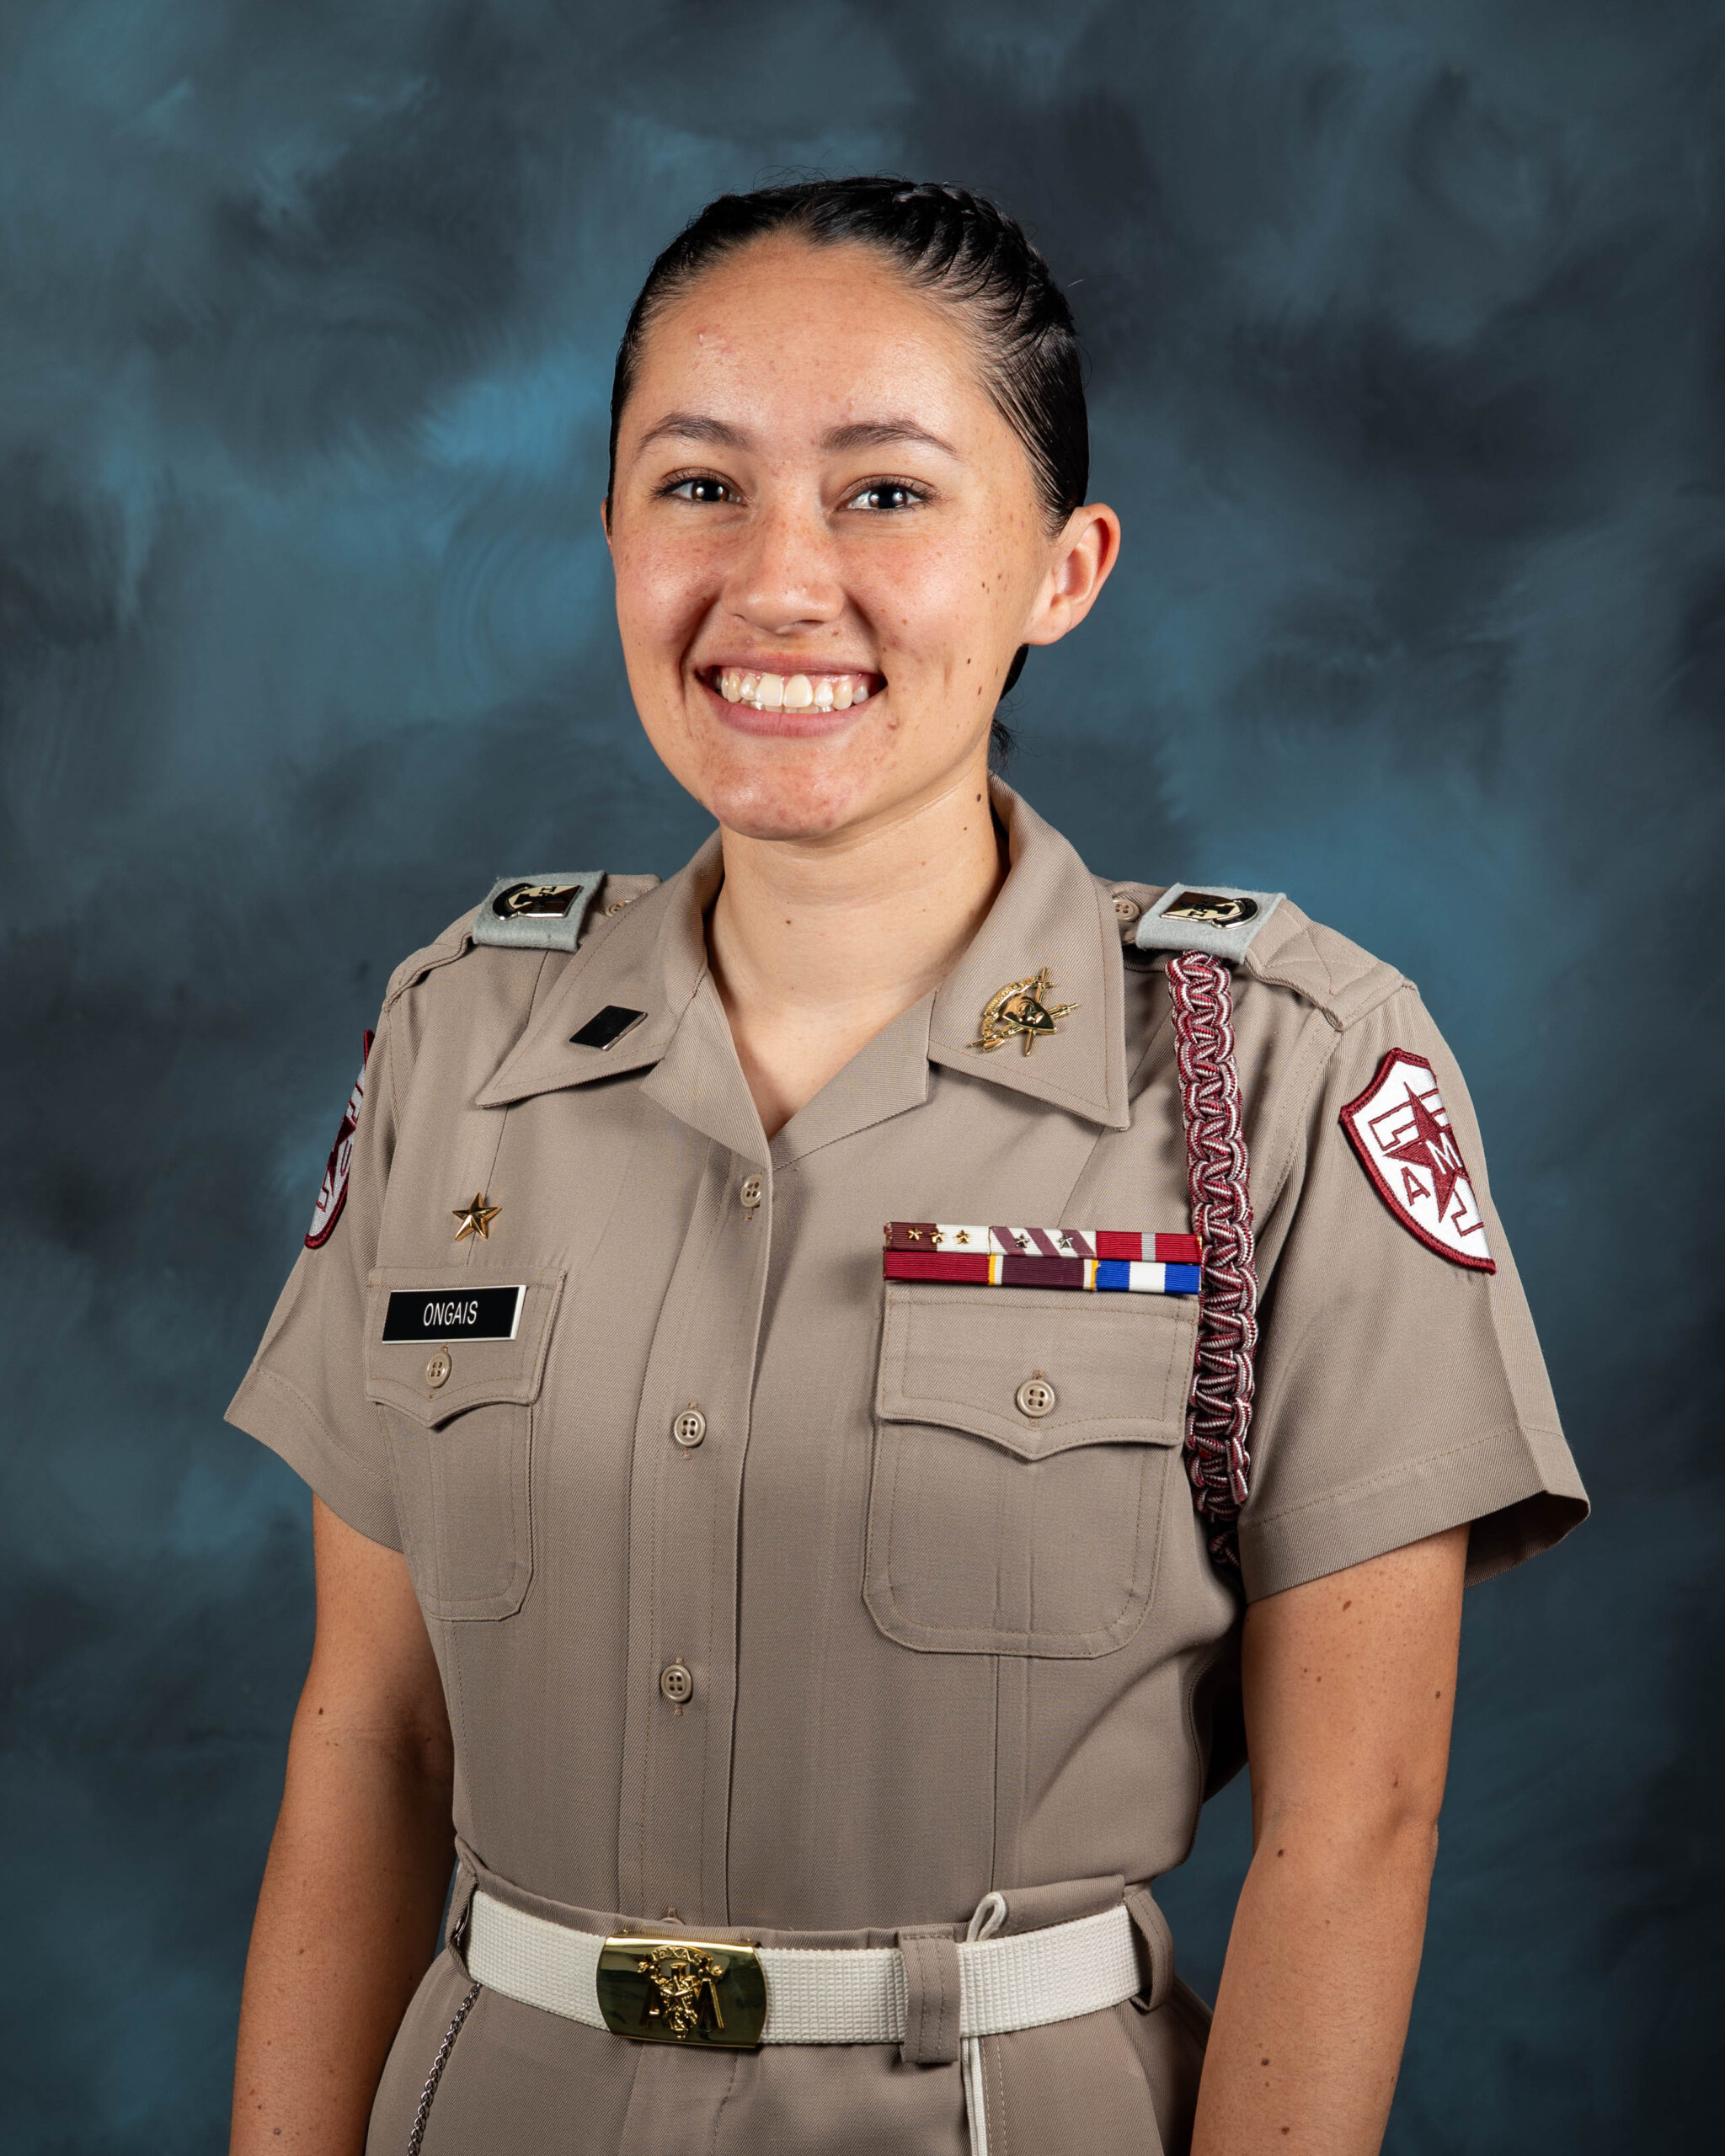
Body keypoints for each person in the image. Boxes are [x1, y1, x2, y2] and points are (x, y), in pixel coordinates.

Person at [226, 179, 1587, 2156]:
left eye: (885, 493)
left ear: (1064, 565)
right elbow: (367, 1739)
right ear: (608, 529)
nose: (779, 582)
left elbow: (1352, 1824)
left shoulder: (1276, 1070)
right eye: (697, 485)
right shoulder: (461, 1034)